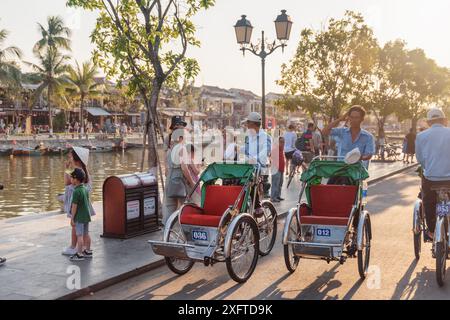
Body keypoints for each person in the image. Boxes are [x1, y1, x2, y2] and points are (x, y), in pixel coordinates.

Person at [416, 108, 450, 240]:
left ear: (429, 122)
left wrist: (429, 168)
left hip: (431, 177)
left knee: (429, 201)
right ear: (443, 120)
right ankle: (446, 225)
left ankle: (432, 230)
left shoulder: (421, 136)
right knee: (445, 203)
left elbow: (420, 159)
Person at [62, 147, 95, 256]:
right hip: (84, 205)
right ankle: (85, 248)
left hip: (76, 204)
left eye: (71, 156)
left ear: (76, 159)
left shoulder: (76, 172)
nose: (69, 158)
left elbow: (67, 182)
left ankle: (74, 247)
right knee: (85, 230)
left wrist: (66, 169)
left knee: (75, 226)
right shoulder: (84, 171)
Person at [162, 127, 196, 225]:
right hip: (179, 181)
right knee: (186, 205)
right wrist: (192, 182)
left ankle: (167, 229)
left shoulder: (170, 150)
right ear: (181, 138)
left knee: (169, 206)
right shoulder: (182, 148)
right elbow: (184, 168)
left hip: (169, 180)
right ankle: (186, 228)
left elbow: (167, 166)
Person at [241, 112, 272, 214]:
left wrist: (254, 159)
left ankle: (257, 205)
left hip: (259, 169)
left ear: (253, 124)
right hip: (247, 167)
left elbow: (265, 152)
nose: (247, 125)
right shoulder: (248, 136)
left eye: (248, 123)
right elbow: (245, 150)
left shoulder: (265, 137)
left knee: (251, 182)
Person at [69, 168, 93, 261]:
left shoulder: (76, 191)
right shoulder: (85, 189)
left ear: (75, 179)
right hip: (86, 216)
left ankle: (79, 254)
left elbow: (74, 206)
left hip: (79, 217)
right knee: (86, 234)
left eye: (71, 177)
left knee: (79, 235)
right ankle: (88, 251)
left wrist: (72, 218)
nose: (71, 179)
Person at [271, 137, 285, 202]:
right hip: (276, 169)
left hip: (281, 169)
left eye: (283, 142)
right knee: (275, 183)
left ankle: (278, 196)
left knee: (280, 183)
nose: (283, 143)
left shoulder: (281, 149)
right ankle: (273, 197)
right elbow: (273, 159)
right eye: (281, 142)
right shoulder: (275, 149)